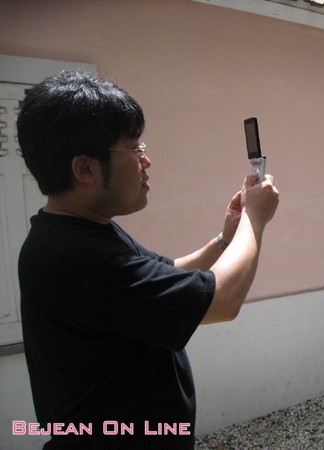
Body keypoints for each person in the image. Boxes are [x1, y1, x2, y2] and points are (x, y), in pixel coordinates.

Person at [16, 70, 279, 449]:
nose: (147, 161)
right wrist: (255, 219)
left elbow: (168, 274)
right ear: (85, 168)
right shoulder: (76, 257)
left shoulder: (80, 231)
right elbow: (222, 301)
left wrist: (226, 237)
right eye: (134, 149)